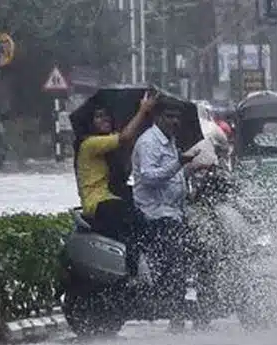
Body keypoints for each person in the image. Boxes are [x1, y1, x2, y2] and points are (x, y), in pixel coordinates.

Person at [131, 101, 205, 329]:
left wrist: (190, 170)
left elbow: (175, 176)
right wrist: (178, 164)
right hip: (155, 214)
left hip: (175, 212)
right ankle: (175, 313)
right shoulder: (148, 143)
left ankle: (199, 307)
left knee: (204, 247)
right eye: (169, 116)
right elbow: (149, 177)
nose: (175, 122)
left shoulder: (170, 141)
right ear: (158, 117)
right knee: (176, 259)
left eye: (177, 117)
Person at [75, 90, 157, 240]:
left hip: (112, 196)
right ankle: (132, 262)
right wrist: (142, 111)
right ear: (90, 122)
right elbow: (125, 137)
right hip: (98, 202)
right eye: (99, 116)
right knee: (136, 224)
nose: (105, 119)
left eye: (106, 115)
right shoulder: (89, 144)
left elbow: (124, 173)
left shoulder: (108, 148)